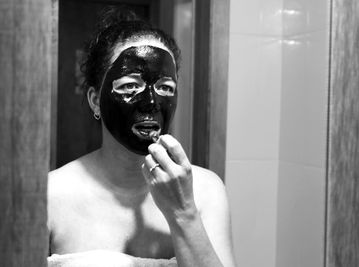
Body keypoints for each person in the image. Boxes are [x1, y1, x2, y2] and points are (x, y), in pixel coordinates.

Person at [47, 7, 236, 267]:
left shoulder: (206, 191)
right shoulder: (50, 195)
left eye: (165, 88)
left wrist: (184, 214)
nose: (151, 103)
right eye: (129, 86)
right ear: (95, 101)